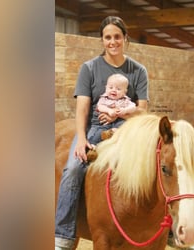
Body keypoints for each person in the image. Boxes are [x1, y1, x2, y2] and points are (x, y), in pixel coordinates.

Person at [55, 16, 149, 250]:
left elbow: (143, 110)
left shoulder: (138, 70)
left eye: (117, 36)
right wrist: (81, 139)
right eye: (108, 37)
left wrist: (118, 115)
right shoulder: (89, 68)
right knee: (73, 169)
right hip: (94, 128)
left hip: (128, 130)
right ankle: (64, 235)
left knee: (154, 165)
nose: (113, 41)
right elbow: (83, 108)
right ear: (102, 40)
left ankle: (166, 228)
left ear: (125, 39)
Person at [88, 73, 137, 146]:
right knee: (99, 133)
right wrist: (109, 110)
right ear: (106, 88)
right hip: (105, 124)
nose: (114, 90)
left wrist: (125, 110)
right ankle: (93, 145)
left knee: (124, 128)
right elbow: (99, 106)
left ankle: (115, 132)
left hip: (120, 122)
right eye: (111, 87)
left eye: (118, 89)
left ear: (124, 92)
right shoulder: (104, 98)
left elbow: (133, 107)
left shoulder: (125, 100)